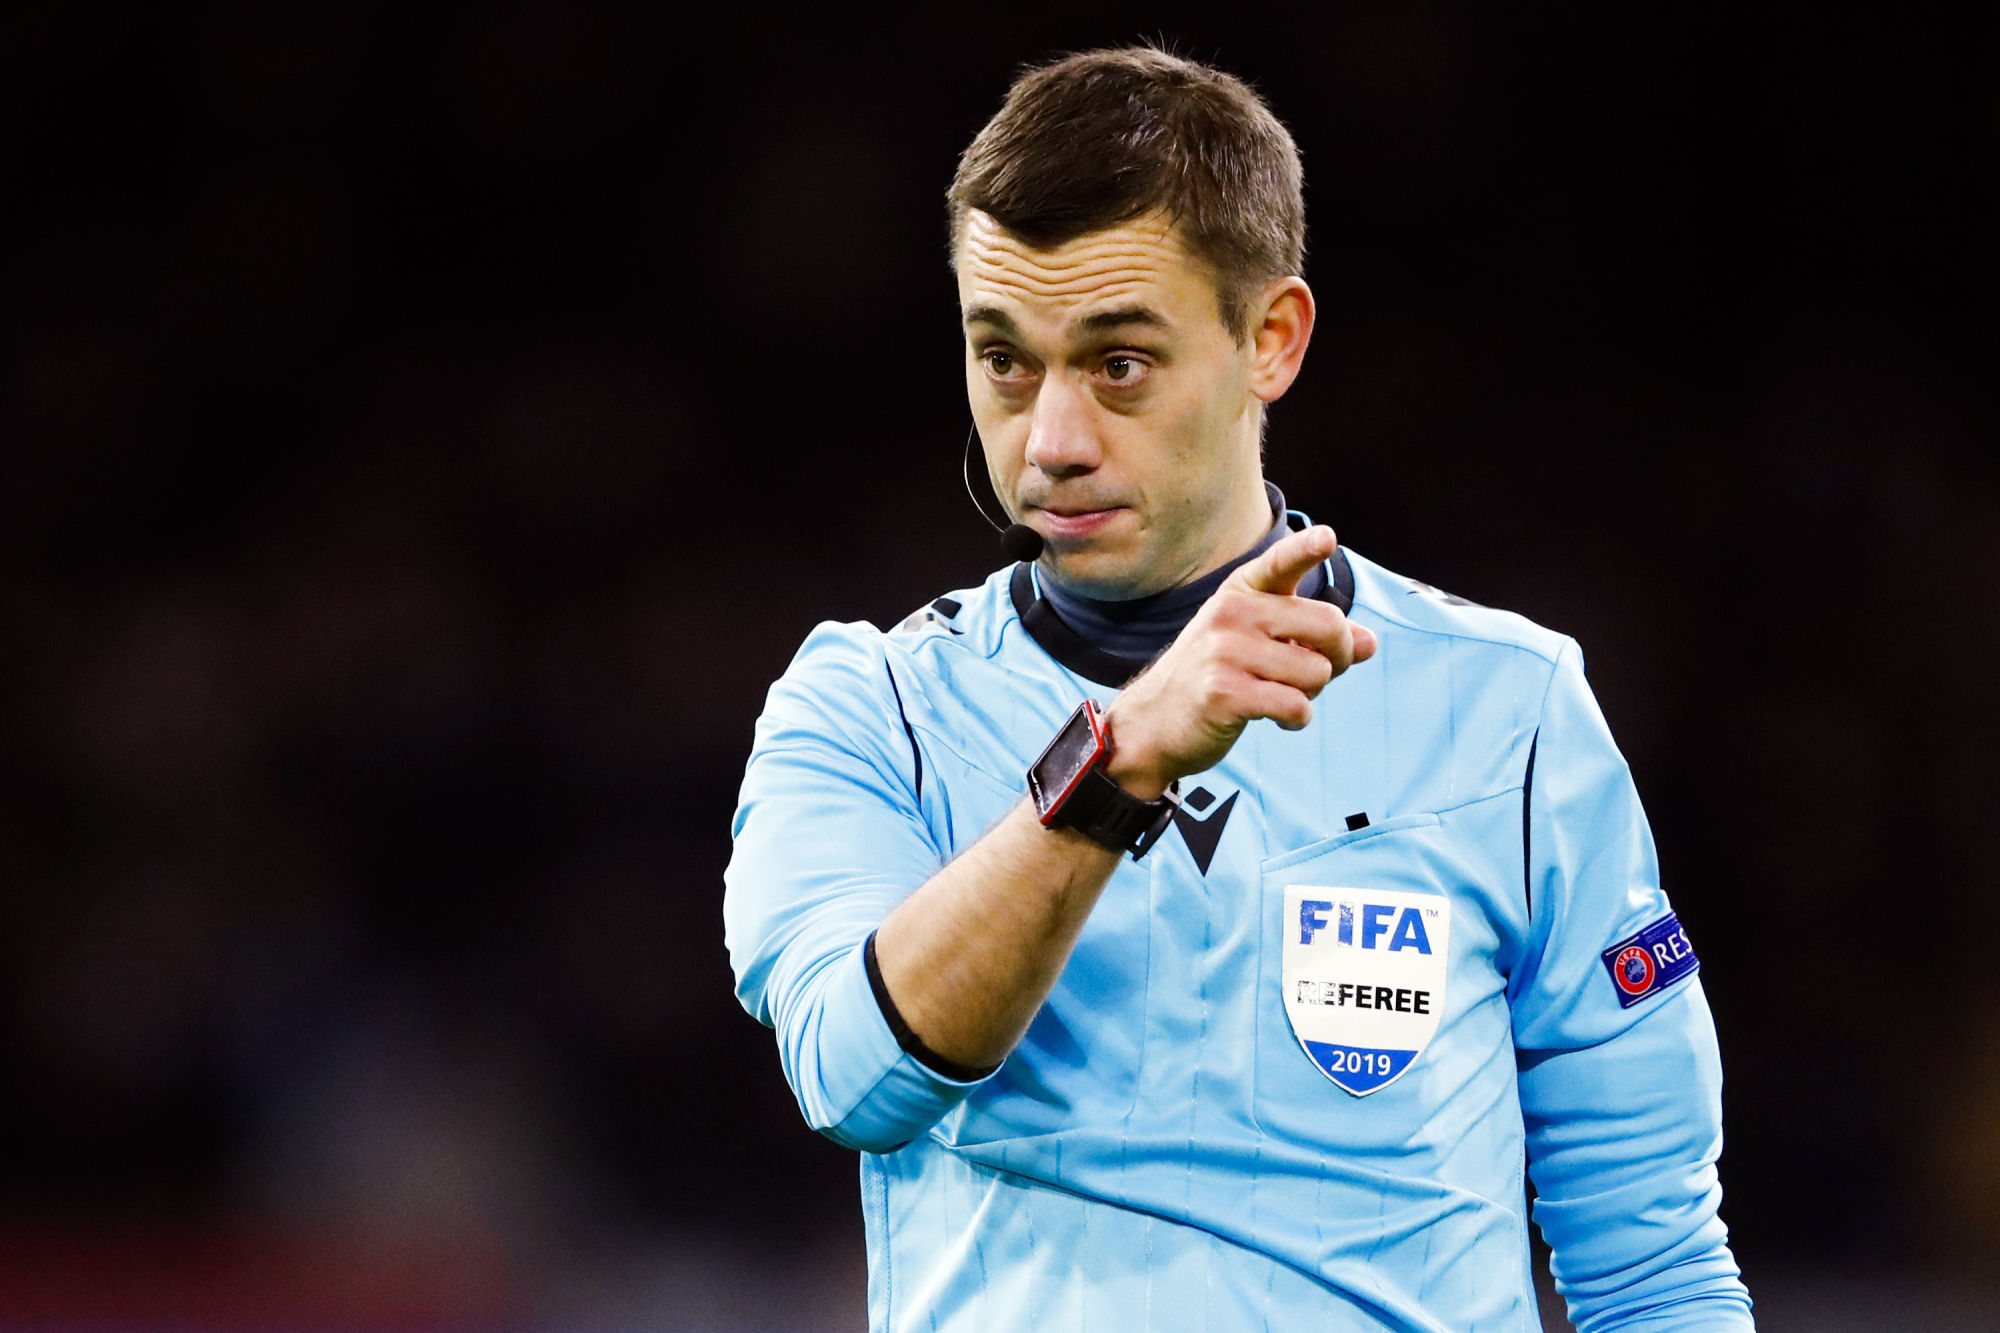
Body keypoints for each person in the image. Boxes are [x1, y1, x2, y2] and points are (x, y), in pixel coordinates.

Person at [724, 46, 1753, 1332]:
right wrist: (1121, 758)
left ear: (1269, 340)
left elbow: (1652, 1267)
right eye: (1003, 358)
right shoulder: (868, 710)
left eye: (1117, 364)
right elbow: (854, 1075)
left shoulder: (1510, 713)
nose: (1048, 440)